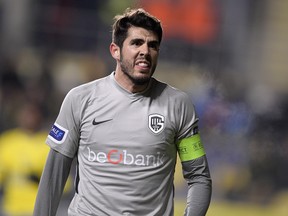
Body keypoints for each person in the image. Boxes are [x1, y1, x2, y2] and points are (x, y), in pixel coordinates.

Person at [33, 8, 212, 216]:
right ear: (115, 50)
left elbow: (198, 177)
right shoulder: (80, 99)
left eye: (152, 45)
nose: (145, 51)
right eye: (136, 43)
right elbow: (53, 176)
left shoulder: (179, 105)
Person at [0, 102, 50, 216]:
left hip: (39, 209)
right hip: (12, 208)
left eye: (33, 114)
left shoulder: (49, 143)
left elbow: (65, 183)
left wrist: (40, 179)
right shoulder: (7, 141)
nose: (29, 118)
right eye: (25, 114)